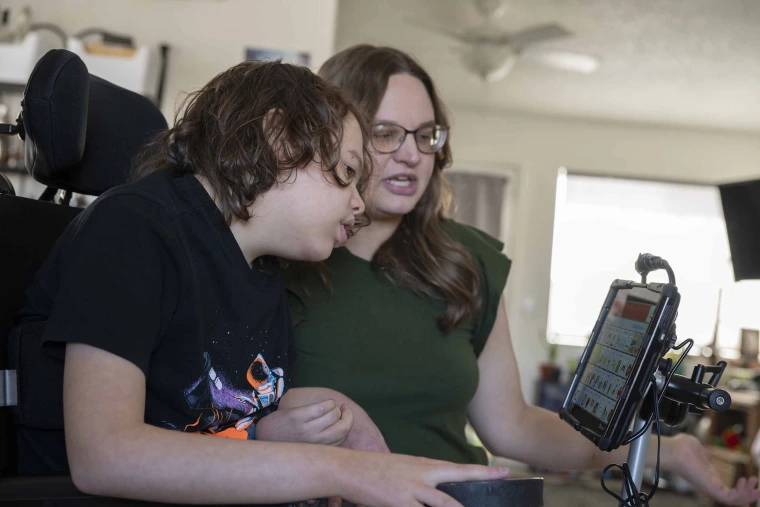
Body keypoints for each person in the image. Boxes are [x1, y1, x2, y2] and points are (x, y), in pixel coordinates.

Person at [13, 60, 508, 507]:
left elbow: (210, 409)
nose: (359, 205)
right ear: (282, 141)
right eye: (349, 172)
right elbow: (105, 455)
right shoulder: (135, 229)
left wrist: (323, 420)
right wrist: (344, 471)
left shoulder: (261, 270)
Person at [284, 44, 760, 506]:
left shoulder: (465, 262)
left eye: (426, 135)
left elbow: (514, 427)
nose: (412, 154)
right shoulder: (284, 258)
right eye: (385, 132)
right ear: (337, 136)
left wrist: (664, 450)